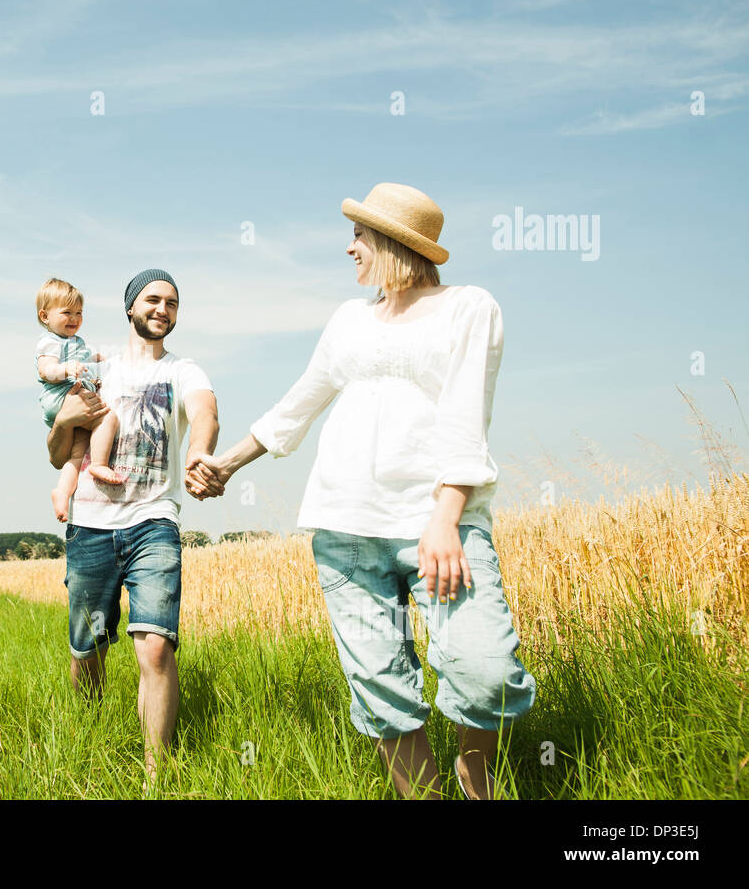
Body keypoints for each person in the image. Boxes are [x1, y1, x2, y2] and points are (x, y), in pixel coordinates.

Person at [186, 183, 535, 799]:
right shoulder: (349, 319)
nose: (349, 249)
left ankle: (472, 768)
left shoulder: (468, 307)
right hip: (345, 526)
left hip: (437, 526)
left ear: (394, 242)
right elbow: (301, 402)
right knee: (382, 688)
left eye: (359, 237)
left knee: (485, 674)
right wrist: (226, 464)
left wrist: (446, 515)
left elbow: (465, 414)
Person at [47, 268, 218, 781]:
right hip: (92, 523)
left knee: (158, 645)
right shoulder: (98, 367)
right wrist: (62, 420)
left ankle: (154, 776)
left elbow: (204, 412)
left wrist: (200, 452)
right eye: (152, 299)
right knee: (88, 649)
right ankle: (89, 737)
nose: (162, 309)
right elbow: (60, 455)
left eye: (171, 302)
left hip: (154, 520)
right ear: (130, 308)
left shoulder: (184, 370)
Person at [35, 278, 122, 523]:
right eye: (66, 313)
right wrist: (63, 369)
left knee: (77, 452)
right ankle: (100, 464)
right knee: (108, 417)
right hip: (63, 398)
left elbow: (87, 357)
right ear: (45, 316)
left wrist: (100, 359)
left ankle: (62, 492)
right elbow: (45, 370)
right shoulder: (50, 342)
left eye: (79, 313)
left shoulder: (76, 343)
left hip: (68, 404)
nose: (74, 318)